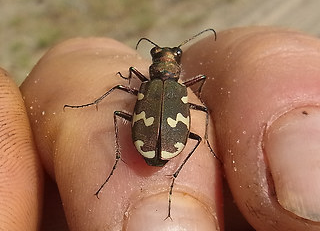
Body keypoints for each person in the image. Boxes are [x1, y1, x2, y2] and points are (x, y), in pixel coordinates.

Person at [1, 27, 320, 230]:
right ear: (172, 66)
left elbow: (120, 93)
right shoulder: (186, 87)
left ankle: (122, 166)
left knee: (117, 103)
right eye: (161, 53)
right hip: (168, 143)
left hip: (155, 140)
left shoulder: (144, 83)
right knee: (195, 128)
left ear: (157, 66)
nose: (166, 56)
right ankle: (148, 170)